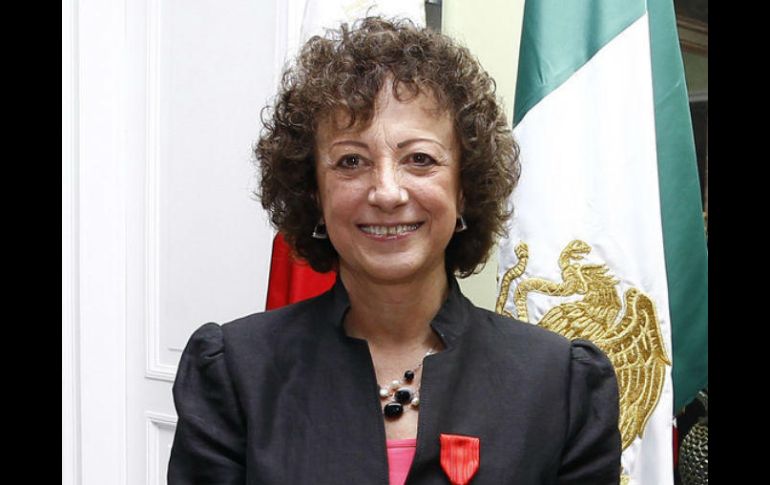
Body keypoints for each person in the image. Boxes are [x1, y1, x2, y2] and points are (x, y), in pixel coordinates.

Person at [167, 16, 621, 485]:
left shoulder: (560, 383)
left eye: (420, 159)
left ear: (464, 188)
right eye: (351, 161)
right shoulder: (234, 373)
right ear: (314, 193)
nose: (386, 192)